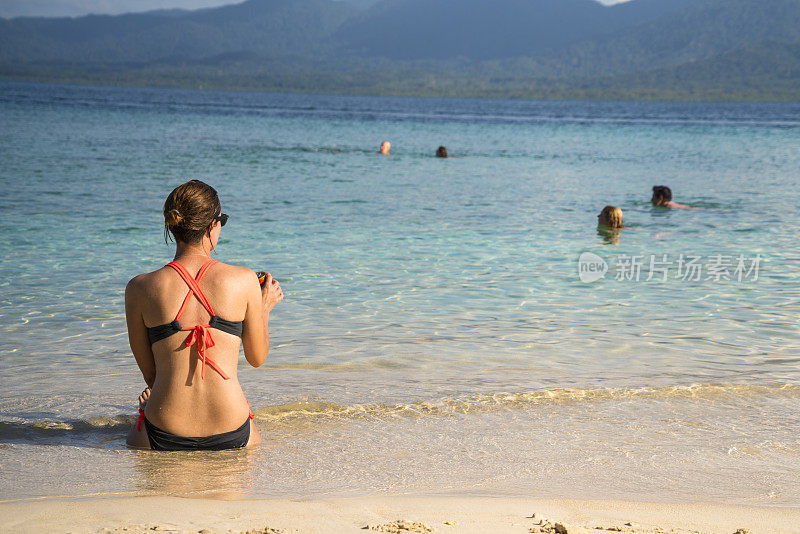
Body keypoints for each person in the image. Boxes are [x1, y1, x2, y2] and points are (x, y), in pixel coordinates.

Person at [124, 179, 283, 450]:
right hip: (233, 430)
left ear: (171, 227)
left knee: (143, 414)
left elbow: (152, 376)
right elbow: (257, 358)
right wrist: (263, 308)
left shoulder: (139, 288)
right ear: (213, 226)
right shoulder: (244, 280)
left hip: (162, 432)